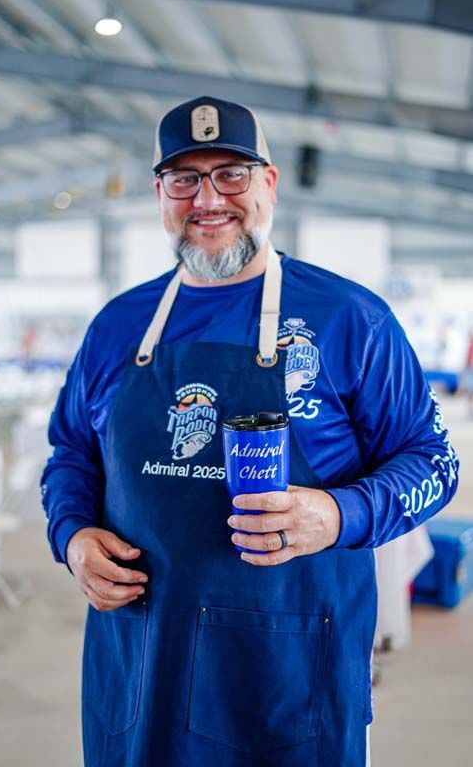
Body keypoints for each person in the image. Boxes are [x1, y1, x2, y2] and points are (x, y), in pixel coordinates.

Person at [41, 96, 460, 767]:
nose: (207, 198)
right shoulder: (118, 325)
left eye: (231, 173)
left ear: (269, 182)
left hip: (289, 670)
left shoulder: (351, 318)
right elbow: (71, 453)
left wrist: (340, 511)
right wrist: (70, 536)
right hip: (143, 661)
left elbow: (434, 463)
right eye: (185, 179)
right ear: (160, 194)